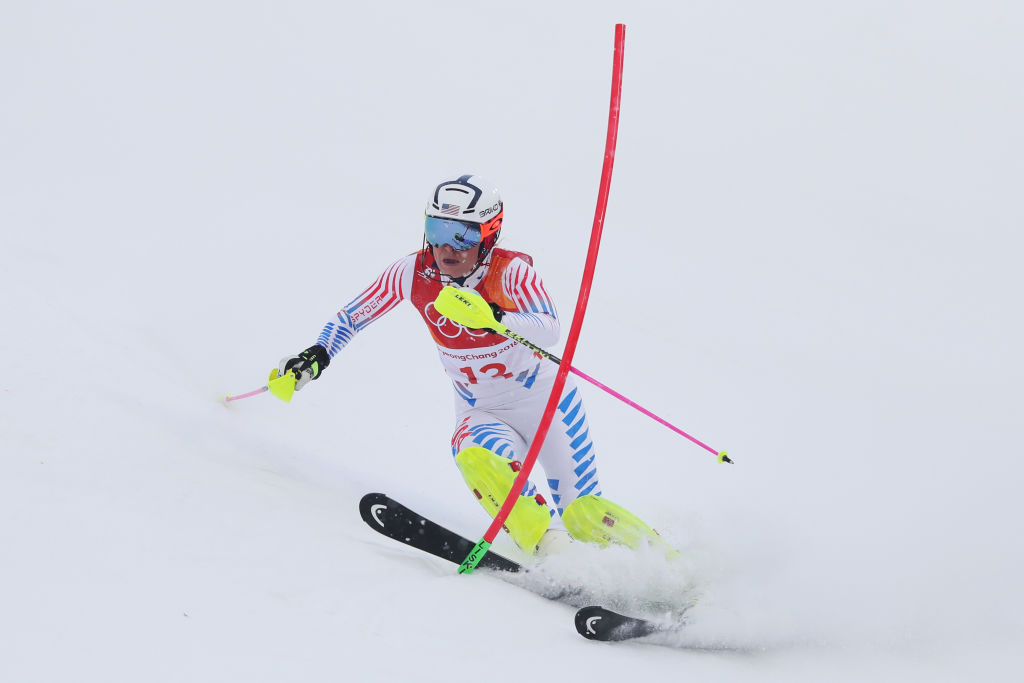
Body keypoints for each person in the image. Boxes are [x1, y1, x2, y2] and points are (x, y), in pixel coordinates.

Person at [278, 174, 671, 556]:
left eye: (462, 235)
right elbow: (352, 316)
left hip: (546, 402)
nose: (446, 247)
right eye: (436, 229)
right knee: (473, 454)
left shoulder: (510, 272)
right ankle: (552, 552)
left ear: (489, 234)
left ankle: (667, 566)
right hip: (481, 409)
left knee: (583, 512)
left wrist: (496, 319)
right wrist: (316, 357)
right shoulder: (413, 272)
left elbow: (549, 329)